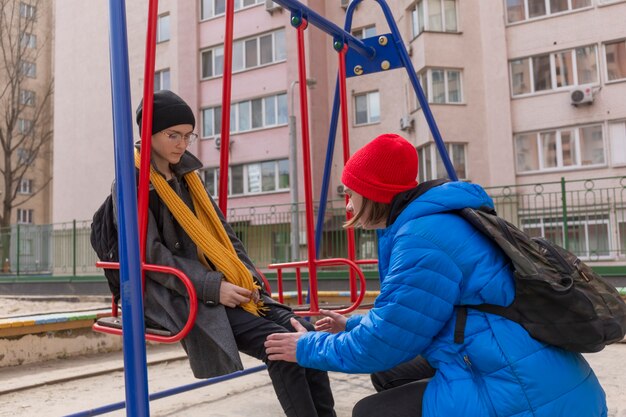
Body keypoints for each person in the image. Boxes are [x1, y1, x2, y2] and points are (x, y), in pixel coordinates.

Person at [265, 133, 608, 417]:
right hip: (525, 365)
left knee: (370, 412)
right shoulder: (439, 219)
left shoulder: (422, 240)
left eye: (351, 192)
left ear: (374, 194)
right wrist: (351, 325)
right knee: (390, 374)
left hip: (524, 394)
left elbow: (382, 344)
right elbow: (411, 315)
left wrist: (306, 347)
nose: (348, 204)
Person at [109, 90, 336, 417]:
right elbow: (149, 255)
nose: (181, 144)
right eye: (173, 135)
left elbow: (226, 236)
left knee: (306, 334)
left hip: (217, 285)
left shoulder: (188, 177)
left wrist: (250, 280)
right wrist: (213, 286)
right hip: (174, 291)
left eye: (188, 136)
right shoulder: (132, 181)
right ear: (148, 134)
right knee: (280, 345)